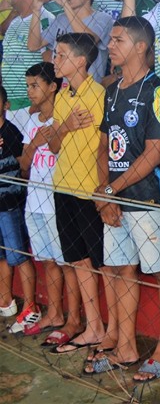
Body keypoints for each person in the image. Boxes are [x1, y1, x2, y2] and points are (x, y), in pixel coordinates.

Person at [87, 17, 160, 382]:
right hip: (115, 198)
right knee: (121, 268)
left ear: (141, 46)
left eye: (118, 40)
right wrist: (104, 192)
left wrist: (112, 189)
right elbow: (103, 145)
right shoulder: (112, 89)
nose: (110, 46)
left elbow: (154, 154)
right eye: (110, 39)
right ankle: (125, 346)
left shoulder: (157, 91)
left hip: (146, 198)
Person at [47, 32, 106, 354]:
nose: (55, 59)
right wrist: (66, 126)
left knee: (98, 261)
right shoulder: (62, 96)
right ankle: (93, 325)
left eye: (61, 54)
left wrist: (102, 191)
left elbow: (102, 147)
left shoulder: (98, 95)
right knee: (78, 260)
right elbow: (54, 145)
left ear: (80, 61)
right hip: (63, 186)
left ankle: (105, 330)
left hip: (87, 189)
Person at [17, 62, 63, 337]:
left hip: (55, 203)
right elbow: (24, 165)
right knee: (47, 260)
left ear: (53, 86)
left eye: (35, 85)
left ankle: (65, 318)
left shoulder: (64, 118)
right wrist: (34, 145)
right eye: (28, 86)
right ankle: (54, 312)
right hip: (34, 202)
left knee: (64, 262)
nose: (30, 91)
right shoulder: (32, 121)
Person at [30, 0, 114, 81]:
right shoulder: (61, 18)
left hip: (89, 88)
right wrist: (36, 10)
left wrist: (65, 5)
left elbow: (88, 42)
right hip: (62, 90)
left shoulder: (103, 18)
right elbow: (33, 46)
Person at [2, 0, 54, 130]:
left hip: (29, 102)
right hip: (9, 102)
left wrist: (40, 102)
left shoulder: (46, 19)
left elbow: (48, 63)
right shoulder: (15, 22)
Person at [0, 85, 32, 332]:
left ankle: (30, 307)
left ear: (5, 105)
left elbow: (19, 168)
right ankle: (6, 300)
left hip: (9, 204)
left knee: (18, 255)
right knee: (2, 254)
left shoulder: (11, 133)